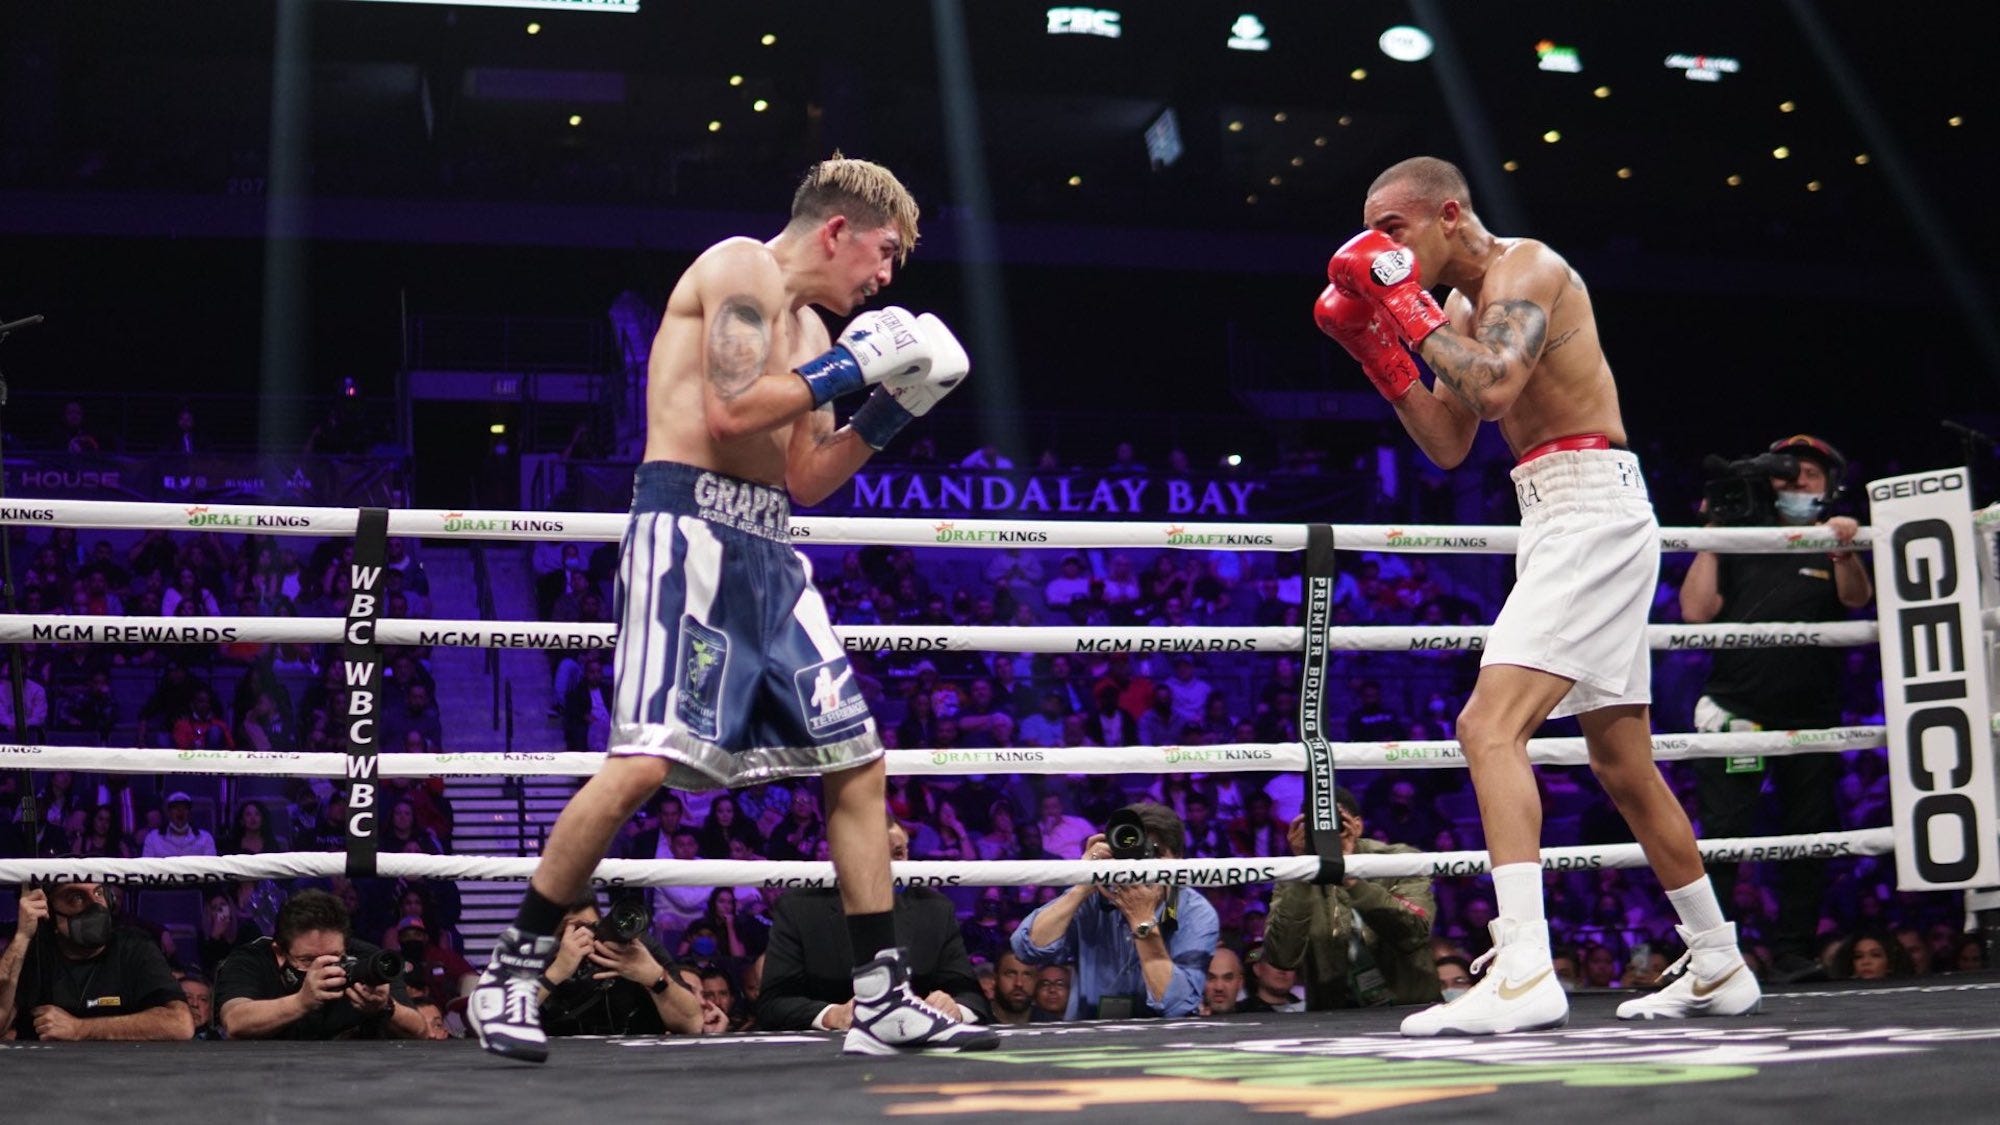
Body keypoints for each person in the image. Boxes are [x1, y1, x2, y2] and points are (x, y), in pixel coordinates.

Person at [469, 154, 992, 1063]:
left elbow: (806, 477)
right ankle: (510, 971)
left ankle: (883, 999)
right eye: (884, 252)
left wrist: (894, 406)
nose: (885, 278)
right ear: (837, 229)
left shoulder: (812, 331)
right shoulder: (738, 267)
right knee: (641, 767)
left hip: (770, 549)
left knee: (857, 760)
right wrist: (854, 361)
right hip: (688, 533)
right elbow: (727, 413)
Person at [1316, 155, 1758, 1034]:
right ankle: (1718, 959)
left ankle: (1524, 963)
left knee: (1488, 726)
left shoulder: (1530, 268)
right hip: (1556, 511)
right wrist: (1375, 348)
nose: (1377, 247)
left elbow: (1495, 387)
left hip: (1592, 504)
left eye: (1391, 231)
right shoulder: (1454, 306)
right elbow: (1449, 439)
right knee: (1623, 763)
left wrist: (1396, 306)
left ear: (1449, 216)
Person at [1678, 434, 1871, 982]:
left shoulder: (1831, 539)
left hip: (1812, 713)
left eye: (1810, 474)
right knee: (1724, 837)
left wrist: (1843, 549)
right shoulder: (1742, 538)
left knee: (1807, 836)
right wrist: (1711, 536)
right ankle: (1708, 956)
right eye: (1788, 473)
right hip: (1736, 710)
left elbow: (1856, 599)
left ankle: (1793, 951)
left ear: (1831, 484)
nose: (1797, 482)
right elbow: (1695, 612)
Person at [757, 816, 989, 1031]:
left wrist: (954, 1009)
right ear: (844, 855)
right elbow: (773, 1005)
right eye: (873, 855)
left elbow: (973, 1000)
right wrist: (832, 1015)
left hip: (914, 1052)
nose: (884, 866)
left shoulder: (934, 909)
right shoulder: (800, 909)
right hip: (829, 1055)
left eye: (897, 853)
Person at [1011, 802, 1220, 1020]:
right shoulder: (1092, 899)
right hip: (1090, 1034)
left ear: (1177, 859)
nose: (1141, 865)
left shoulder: (1196, 912)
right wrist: (1083, 882)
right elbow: (1026, 949)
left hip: (1163, 1040)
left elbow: (1178, 1005)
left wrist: (1143, 922)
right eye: (1136, 852)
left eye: (1154, 852)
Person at [1262, 788, 1441, 1009]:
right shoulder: (1295, 876)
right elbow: (1281, 957)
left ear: (1357, 825)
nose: (1326, 831)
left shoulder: (1400, 862)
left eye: (1336, 822)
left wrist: (1351, 877)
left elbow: (1414, 934)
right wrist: (1303, 872)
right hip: (1334, 1016)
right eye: (1316, 824)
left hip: (1409, 1006)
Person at [215, 888, 429, 1040]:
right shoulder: (252, 959)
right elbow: (235, 1022)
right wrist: (300, 1002)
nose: (324, 968)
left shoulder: (368, 960)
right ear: (279, 951)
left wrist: (385, 1007)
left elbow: (419, 1030)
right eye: (308, 960)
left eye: (334, 957)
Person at [1, 881, 195, 1041]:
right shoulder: (34, 952)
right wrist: (21, 938)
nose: (94, 906)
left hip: (121, 1076)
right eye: (76, 898)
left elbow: (180, 1024)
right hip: (40, 1077)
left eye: (98, 893)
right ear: (49, 912)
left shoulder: (134, 946)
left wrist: (80, 1028)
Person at [536, 894, 706, 1037]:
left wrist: (655, 978)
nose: (582, 939)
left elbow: (693, 1025)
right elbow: (509, 1019)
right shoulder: (536, 958)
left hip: (639, 1067)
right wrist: (556, 972)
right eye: (569, 933)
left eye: (588, 929)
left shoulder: (635, 948)